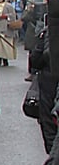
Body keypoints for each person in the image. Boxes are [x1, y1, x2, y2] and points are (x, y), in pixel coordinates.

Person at [30, 21, 59, 153]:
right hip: (49, 82)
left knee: (49, 124)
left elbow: (35, 60)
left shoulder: (47, 32)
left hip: (49, 83)